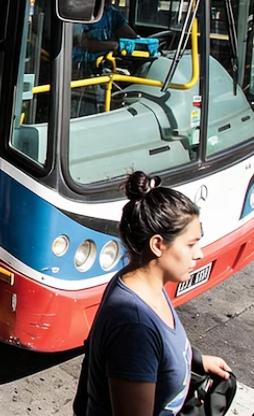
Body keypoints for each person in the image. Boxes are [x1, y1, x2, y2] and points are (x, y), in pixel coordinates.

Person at [85, 171, 232, 415]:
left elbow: (161, 349)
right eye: (190, 244)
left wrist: (195, 360)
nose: (200, 254)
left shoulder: (144, 285)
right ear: (157, 245)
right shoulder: (135, 327)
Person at [73, 2, 136, 74]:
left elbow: (131, 35)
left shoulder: (111, 13)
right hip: (79, 67)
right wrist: (114, 45)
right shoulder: (78, 13)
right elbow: (84, 44)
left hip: (105, 66)